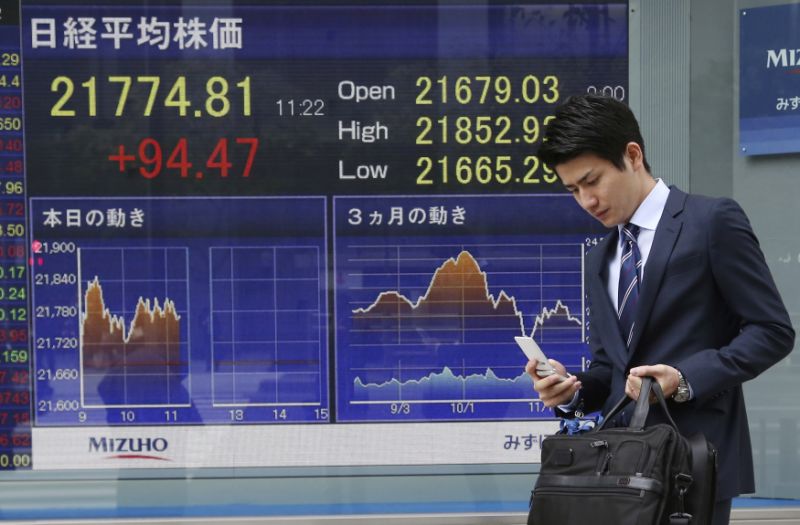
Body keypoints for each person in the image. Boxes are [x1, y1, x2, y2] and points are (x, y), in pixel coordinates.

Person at [528, 94, 794, 525]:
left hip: (693, 464)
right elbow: (610, 368)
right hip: (619, 472)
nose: (587, 201)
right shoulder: (600, 258)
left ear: (633, 155)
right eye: (573, 190)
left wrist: (685, 379)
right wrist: (571, 393)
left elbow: (772, 331)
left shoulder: (712, 221)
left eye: (592, 181)